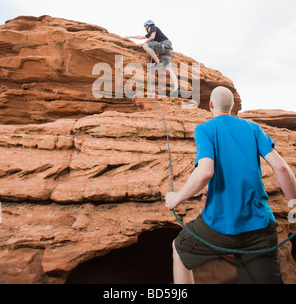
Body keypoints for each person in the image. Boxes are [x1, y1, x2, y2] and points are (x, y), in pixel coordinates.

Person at [165, 86, 296, 284]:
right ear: (232, 106)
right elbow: (281, 167)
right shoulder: (253, 128)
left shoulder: (205, 129)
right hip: (260, 226)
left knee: (179, 249)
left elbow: (206, 171)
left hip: (218, 226)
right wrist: (294, 203)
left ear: (211, 105)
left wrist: (177, 197)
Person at [126, 20, 179, 97]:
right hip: (167, 50)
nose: (145, 29)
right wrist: (130, 37)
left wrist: (144, 43)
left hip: (164, 44)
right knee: (168, 69)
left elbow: (152, 37)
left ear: (148, 25)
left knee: (145, 45)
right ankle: (176, 89)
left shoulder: (153, 27)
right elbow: (141, 37)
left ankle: (158, 62)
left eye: (145, 27)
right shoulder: (152, 31)